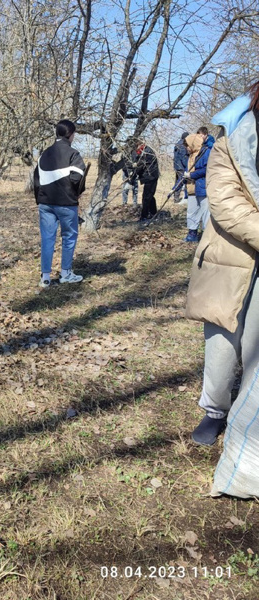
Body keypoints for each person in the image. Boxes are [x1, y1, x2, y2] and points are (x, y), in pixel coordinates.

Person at [185, 81, 259, 446]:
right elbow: (226, 204)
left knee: (255, 341)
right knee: (222, 338)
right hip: (230, 254)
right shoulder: (229, 140)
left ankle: (249, 414)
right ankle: (214, 410)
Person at [33, 119, 86, 287]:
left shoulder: (43, 155)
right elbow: (77, 177)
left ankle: (45, 278)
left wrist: (39, 199)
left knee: (47, 239)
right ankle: (65, 273)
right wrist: (75, 192)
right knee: (69, 237)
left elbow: (36, 180)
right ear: (70, 134)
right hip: (66, 204)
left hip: (45, 204)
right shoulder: (73, 154)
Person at [182, 130, 214, 242]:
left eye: (188, 145)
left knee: (205, 212)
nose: (187, 148)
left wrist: (192, 174)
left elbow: (207, 169)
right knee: (191, 212)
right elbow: (187, 171)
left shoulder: (206, 152)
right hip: (191, 188)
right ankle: (192, 234)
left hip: (202, 187)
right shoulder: (190, 156)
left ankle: (207, 237)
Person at [133, 141, 160, 221]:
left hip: (151, 177)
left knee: (146, 197)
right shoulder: (143, 151)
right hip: (149, 177)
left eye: (136, 147)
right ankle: (153, 214)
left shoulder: (148, 152)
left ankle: (144, 216)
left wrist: (135, 167)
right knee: (150, 196)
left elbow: (142, 165)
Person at [173, 132, 189, 203]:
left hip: (177, 166)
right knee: (182, 181)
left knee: (178, 182)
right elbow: (184, 157)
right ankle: (182, 197)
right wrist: (187, 166)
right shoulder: (183, 145)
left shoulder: (177, 144)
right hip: (181, 166)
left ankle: (176, 197)